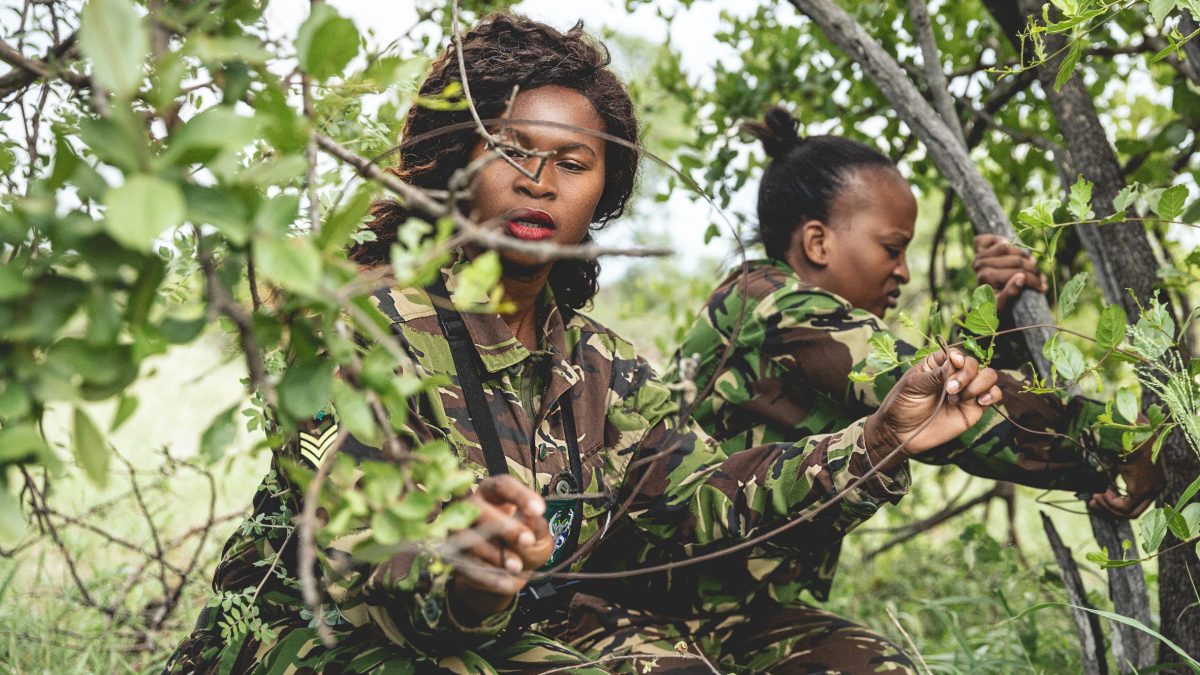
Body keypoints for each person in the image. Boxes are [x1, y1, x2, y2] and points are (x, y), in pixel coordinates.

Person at [166, 16, 1004, 675]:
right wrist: (466, 570)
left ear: (603, 193)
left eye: (573, 162)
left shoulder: (601, 362)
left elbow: (700, 503)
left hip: (527, 620)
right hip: (325, 637)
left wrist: (878, 442)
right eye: (510, 150)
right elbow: (370, 558)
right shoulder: (360, 323)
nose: (539, 181)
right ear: (454, 163)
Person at [655, 105, 1163, 629]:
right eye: (892, 248)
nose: (903, 272)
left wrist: (994, 317)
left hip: (741, 613)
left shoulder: (778, 307)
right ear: (818, 243)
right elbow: (941, 408)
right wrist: (1125, 440)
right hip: (659, 615)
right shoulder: (774, 305)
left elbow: (918, 389)